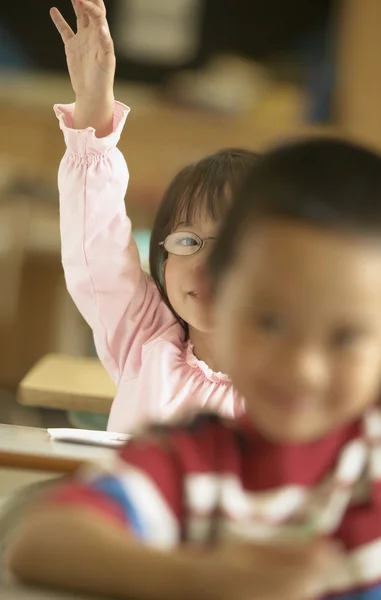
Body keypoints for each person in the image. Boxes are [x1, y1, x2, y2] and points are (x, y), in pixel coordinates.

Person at [8, 133, 381, 599]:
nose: (303, 368)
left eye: (345, 336)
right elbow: (40, 543)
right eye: (270, 322)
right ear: (225, 317)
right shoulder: (193, 461)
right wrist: (211, 580)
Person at [50, 0, 258, 434]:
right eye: (186, 241)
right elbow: (99, 248)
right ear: (163, 260)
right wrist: (92, 106)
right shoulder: (144, 340)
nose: (203, 263)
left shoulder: (293, 385)